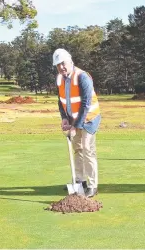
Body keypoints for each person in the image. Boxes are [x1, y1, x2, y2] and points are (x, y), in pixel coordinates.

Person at [53, 48, 101, 198]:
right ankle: (80, 182)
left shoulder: (82, 77)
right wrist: (64, 118)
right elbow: (61, 101)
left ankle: (93, 185)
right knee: (78, 149)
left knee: (87, 149)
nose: (61, 67)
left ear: (70, 61)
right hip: (74, 119)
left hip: (89, 118)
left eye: (63, 63)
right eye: (58, 65)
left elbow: (86, 104)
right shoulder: (60, 79)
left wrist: (76, 126)